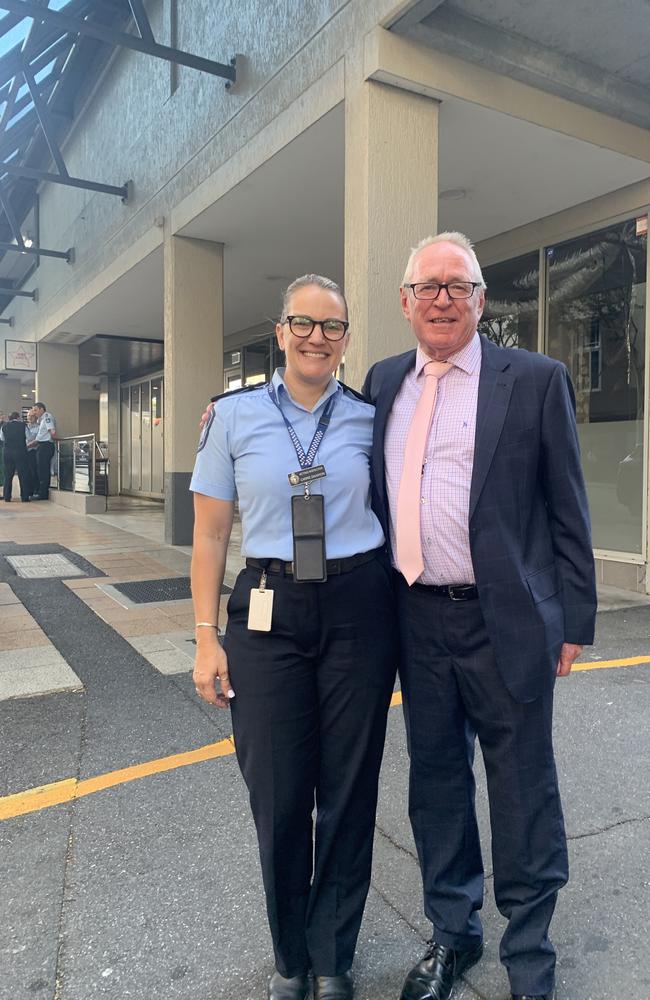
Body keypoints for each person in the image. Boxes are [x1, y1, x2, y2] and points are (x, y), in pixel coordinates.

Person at [362, 232, 597, 1000]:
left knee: (523, 787)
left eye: (458, 286)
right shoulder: (383, 380)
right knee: (435, 784)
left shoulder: (533, 378)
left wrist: (575, 618)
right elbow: (326, 441)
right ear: (404, 302)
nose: (442, 298)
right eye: (427, 285)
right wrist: (238, 417)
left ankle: (529, 951)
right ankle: (453, 934)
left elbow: (569, 507)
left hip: (509, 623)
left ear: (481, 301)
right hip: (415, 620)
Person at [190, 275, 398, 1000]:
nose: (317, 337)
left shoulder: (373, 418)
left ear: (345, 339)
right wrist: (204, 637)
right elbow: (211, 533)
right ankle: (290, 958)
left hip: (358, 606)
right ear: (279, 332)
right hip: (266, 608)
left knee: (347, 787)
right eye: (302, 324)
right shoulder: (232, 416)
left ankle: (333, 954)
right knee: (278, 792)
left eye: (332, 327)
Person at [0, 411, 31, 502]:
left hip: (7, 452)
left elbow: (2, 438)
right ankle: (24, 496)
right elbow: (28, 437)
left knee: (8, 475)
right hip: (20, 451)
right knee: (23, 474)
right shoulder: (23, 425)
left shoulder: (4, 426)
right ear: (18, 417)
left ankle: (7, 496)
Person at [28, 401, 56, 500]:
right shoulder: (42, 420)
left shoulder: (47, 417)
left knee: (43, 470)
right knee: (40, 470)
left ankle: (43, 494)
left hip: (46, 446)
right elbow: (39, 438)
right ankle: (42, 491)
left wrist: (52, 439)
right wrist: (28, 445)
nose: (34, 412)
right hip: (42, 445)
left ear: (41, 409)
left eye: (35, 410)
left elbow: (52, 431)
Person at [25, 407, 40, 496]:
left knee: (33, 471)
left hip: (33, 452)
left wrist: (26, 446)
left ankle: (36, 490)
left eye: (32, 416)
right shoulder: (24, 427)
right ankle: (28, 490)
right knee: (26, 472)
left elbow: (37, 441)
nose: (30, 417)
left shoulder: (38, 428)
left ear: (36, 417)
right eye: (28, 416)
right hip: (24, 452)